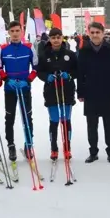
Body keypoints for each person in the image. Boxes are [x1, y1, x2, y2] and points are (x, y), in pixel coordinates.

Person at [78, 22, 110, 164]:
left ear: (103, 33)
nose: (95, 35)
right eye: (92, 33)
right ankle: (93, 152)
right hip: (91, 93)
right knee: (92, 125)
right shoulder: (84, 50)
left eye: (98, 32)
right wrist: (80, 92)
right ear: (89, 33)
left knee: (109, 125)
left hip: (107, 92)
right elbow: (80, 73)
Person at [0, 21, 38, 161]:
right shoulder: (3, 49)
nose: (15, 34)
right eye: (12, 31)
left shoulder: (29, 48)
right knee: (10, 117)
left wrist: (28, 80)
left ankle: (28, 144)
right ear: (9, 32)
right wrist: (7, 79)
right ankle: (11, 145)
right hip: (10, 88)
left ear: (21, 32)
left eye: (17, 31)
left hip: (25, 88)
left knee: (27, 117)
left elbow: (36, 67)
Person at [36, 28, 78, 161]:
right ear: (49, 39)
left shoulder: (70, 54)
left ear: (62, 38)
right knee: (54, 121)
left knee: (65, 121)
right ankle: (54, 149)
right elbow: (39, 71)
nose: (56, 40)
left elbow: (77, 70)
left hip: (67, 91)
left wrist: (69, 75)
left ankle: (67, 148)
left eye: (58, 37)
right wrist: (46, 77)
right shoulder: (44, 55)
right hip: (51, 92)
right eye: (53, 38)